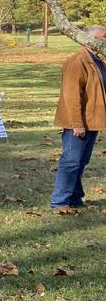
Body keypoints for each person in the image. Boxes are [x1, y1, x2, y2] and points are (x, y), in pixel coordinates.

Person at [50, 25, 106, 211]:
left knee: (81, 161)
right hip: (78, 122)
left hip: (92, 120)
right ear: (89, 40)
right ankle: (60, 202)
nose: (105, 40)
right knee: (71, 160)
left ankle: (74, 198)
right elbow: (71, 96)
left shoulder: (98, 60)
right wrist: (76, 124)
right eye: (103, 37)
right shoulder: (77, 62)